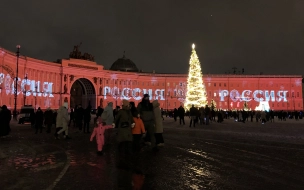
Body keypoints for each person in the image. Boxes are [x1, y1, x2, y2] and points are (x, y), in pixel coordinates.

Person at [114, 99, 135, 170]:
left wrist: (115, 124)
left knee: (122, 148)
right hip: (128, 133)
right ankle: (128, 163)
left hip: (122, 132)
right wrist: (132, 124)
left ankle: (122, 163)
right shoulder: (129, 112)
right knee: (128, 148)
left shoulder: (121, 112)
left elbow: (116, 120)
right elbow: (132, 121)